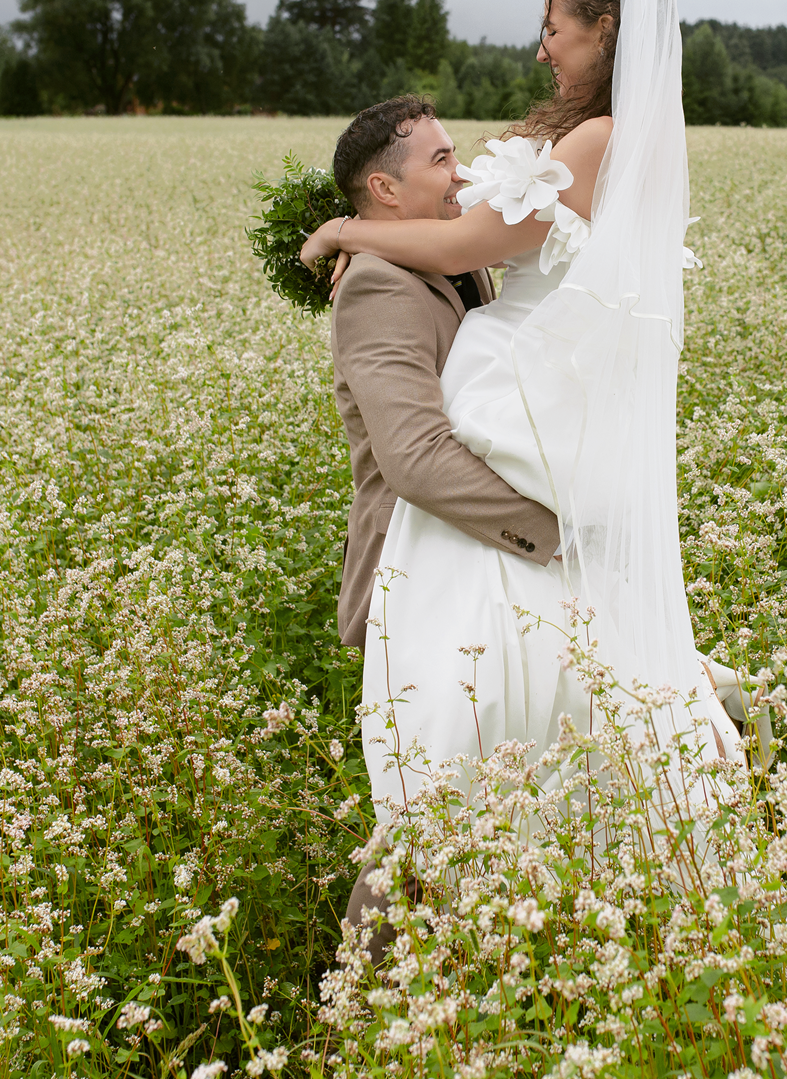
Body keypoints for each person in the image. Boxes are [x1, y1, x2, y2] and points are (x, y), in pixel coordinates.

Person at [303, 0, 744, 832]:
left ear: (603, 32)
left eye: (553, 29)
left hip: (525, 390)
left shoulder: (597, 139)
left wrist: (345, 230)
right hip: (550, 394)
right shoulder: (628, 140)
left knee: (493, 715)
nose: (542, 50)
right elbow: (476, 229)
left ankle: (454, 855)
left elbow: (462, 244)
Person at [322, 95, 564, 956]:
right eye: (440, 160)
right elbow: (415, 458)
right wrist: (553, 533)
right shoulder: (377, 286)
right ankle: (364, 997)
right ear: (384, 190)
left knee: (494, 777)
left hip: (479, 560)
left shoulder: (449, 261)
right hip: (419, 573)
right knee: (428, 807)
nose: (462, 174)